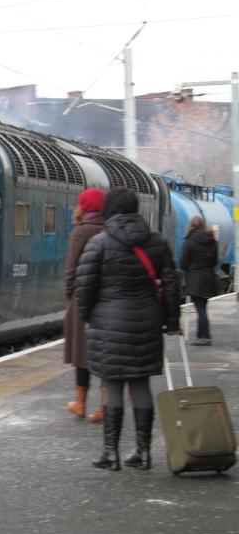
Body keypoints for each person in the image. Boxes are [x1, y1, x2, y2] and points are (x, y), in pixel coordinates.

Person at [75, 187, 180, 471]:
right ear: (136, 209)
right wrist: (172, 323)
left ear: (110, 210)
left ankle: (111, 453)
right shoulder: (157, 243)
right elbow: (171, 285)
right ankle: (143, 453)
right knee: (141, 384)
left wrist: (86, 317)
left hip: (108, 323)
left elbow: (84, 287)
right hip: (146, 322)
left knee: (113, 385)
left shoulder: (99, 243)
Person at [63, 188, 106, 422]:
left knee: (82, 355)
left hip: (83, 300)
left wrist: (71, 295)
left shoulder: (81, 232)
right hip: (108, 300)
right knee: (104, 354)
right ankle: (102, 407)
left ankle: (80, 403)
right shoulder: (110, 229)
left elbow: (71, 269)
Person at [180, 215, 218, 346]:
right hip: (208, 276)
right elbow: (214, 260)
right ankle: (201, 334)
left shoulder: (189, 241)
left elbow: (183, 262)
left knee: (200, 308)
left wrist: (188, 269)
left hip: (195, 278)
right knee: (202, 307)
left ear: (191, 226)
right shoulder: (211, 240)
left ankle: (204, 336)